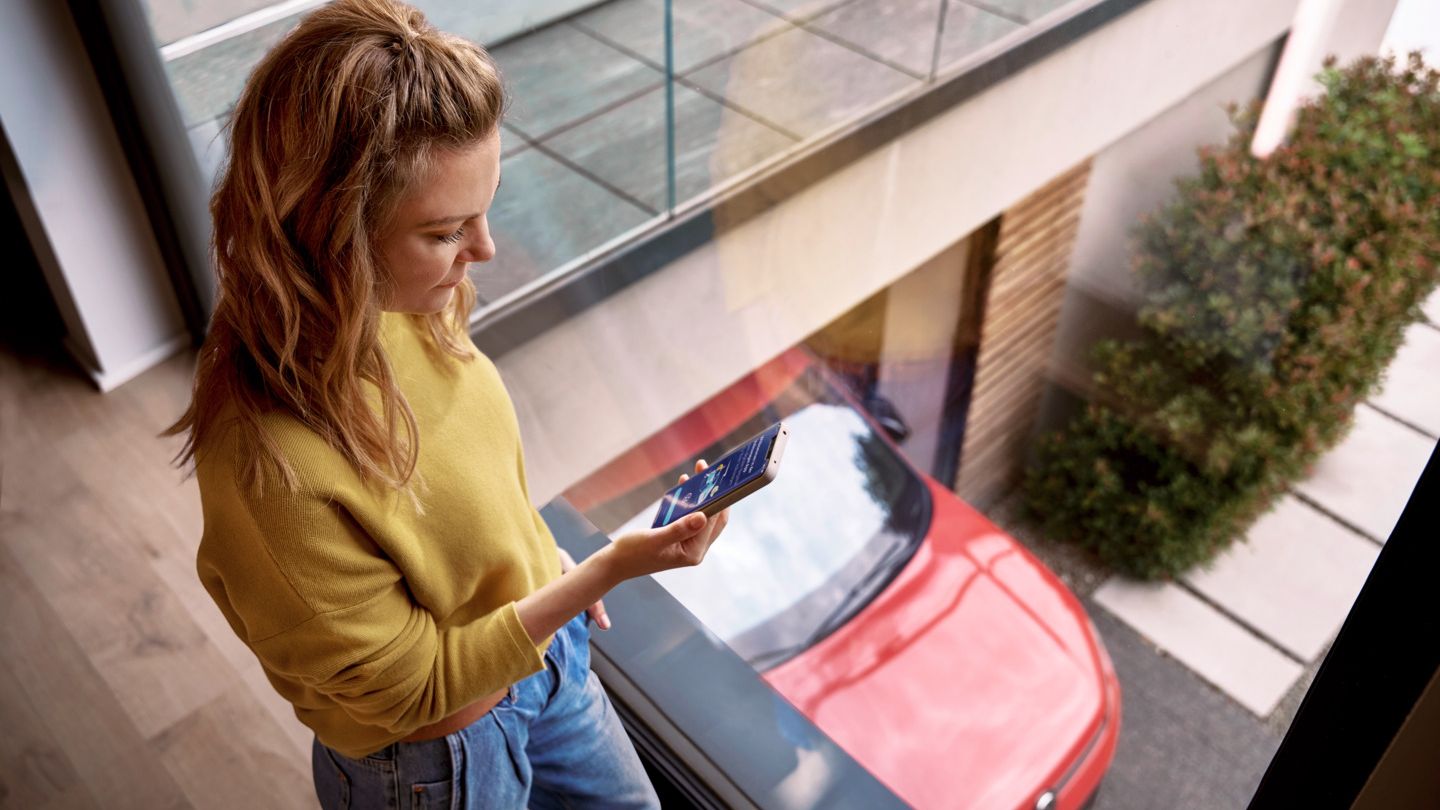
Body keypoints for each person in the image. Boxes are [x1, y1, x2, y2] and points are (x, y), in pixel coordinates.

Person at [165, 1, 729, 807]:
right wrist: (605, 570)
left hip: (545, 657)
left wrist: (542, 565)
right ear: (331, 236)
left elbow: (459, 483)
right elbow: (411, 693)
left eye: (484, 211)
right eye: (445, 231)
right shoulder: (270, 469)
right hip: (442, 757)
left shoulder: (413, 305)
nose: (485, 251)